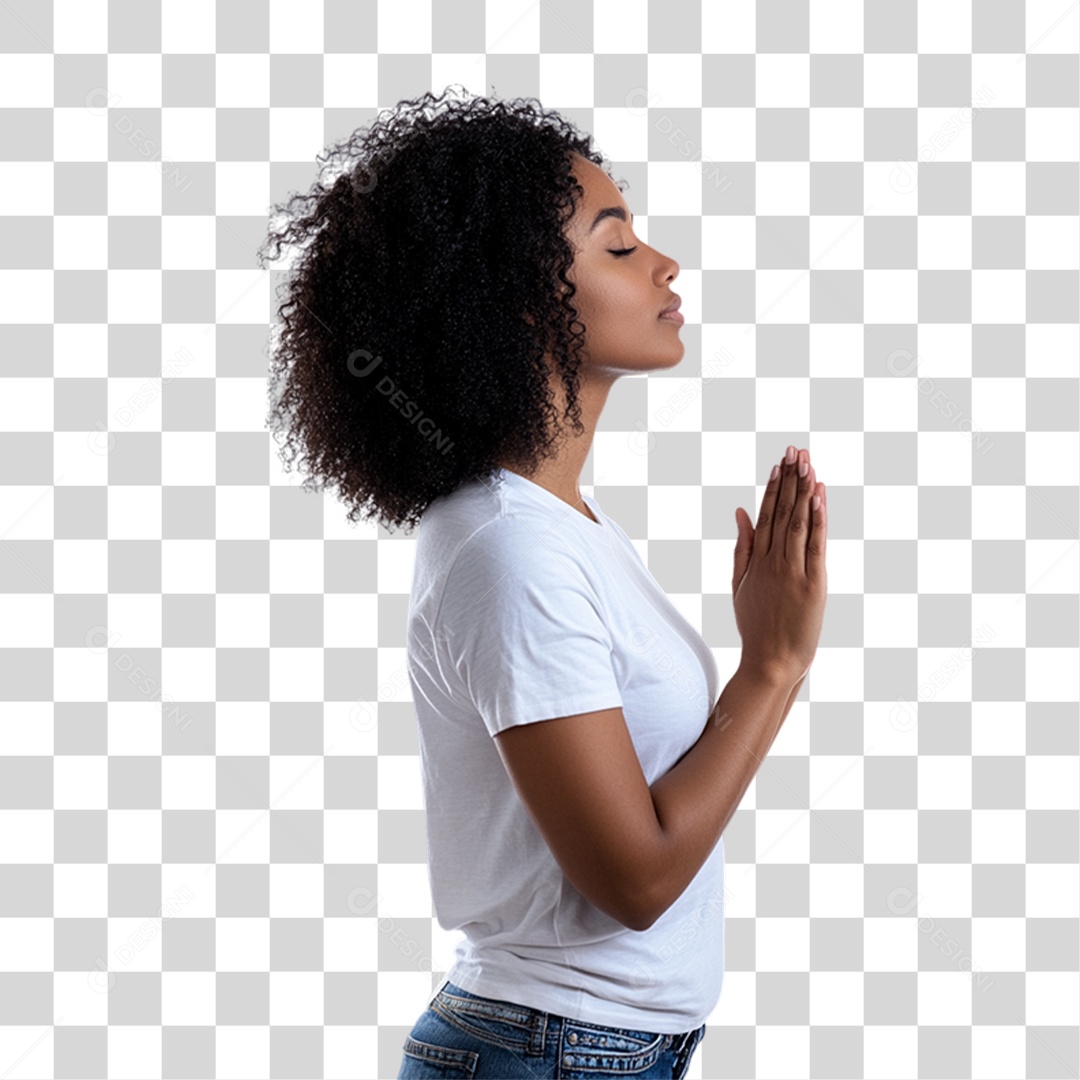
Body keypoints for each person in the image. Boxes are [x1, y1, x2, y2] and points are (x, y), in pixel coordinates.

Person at [258, 86, 827, 1080]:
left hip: (581, 1051)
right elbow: (634, 878)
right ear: (520, 302)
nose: (663, 264)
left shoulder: (562, 527)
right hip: (548, 1054)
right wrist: (771, 668)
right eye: (616, 247)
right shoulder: (508, 549)